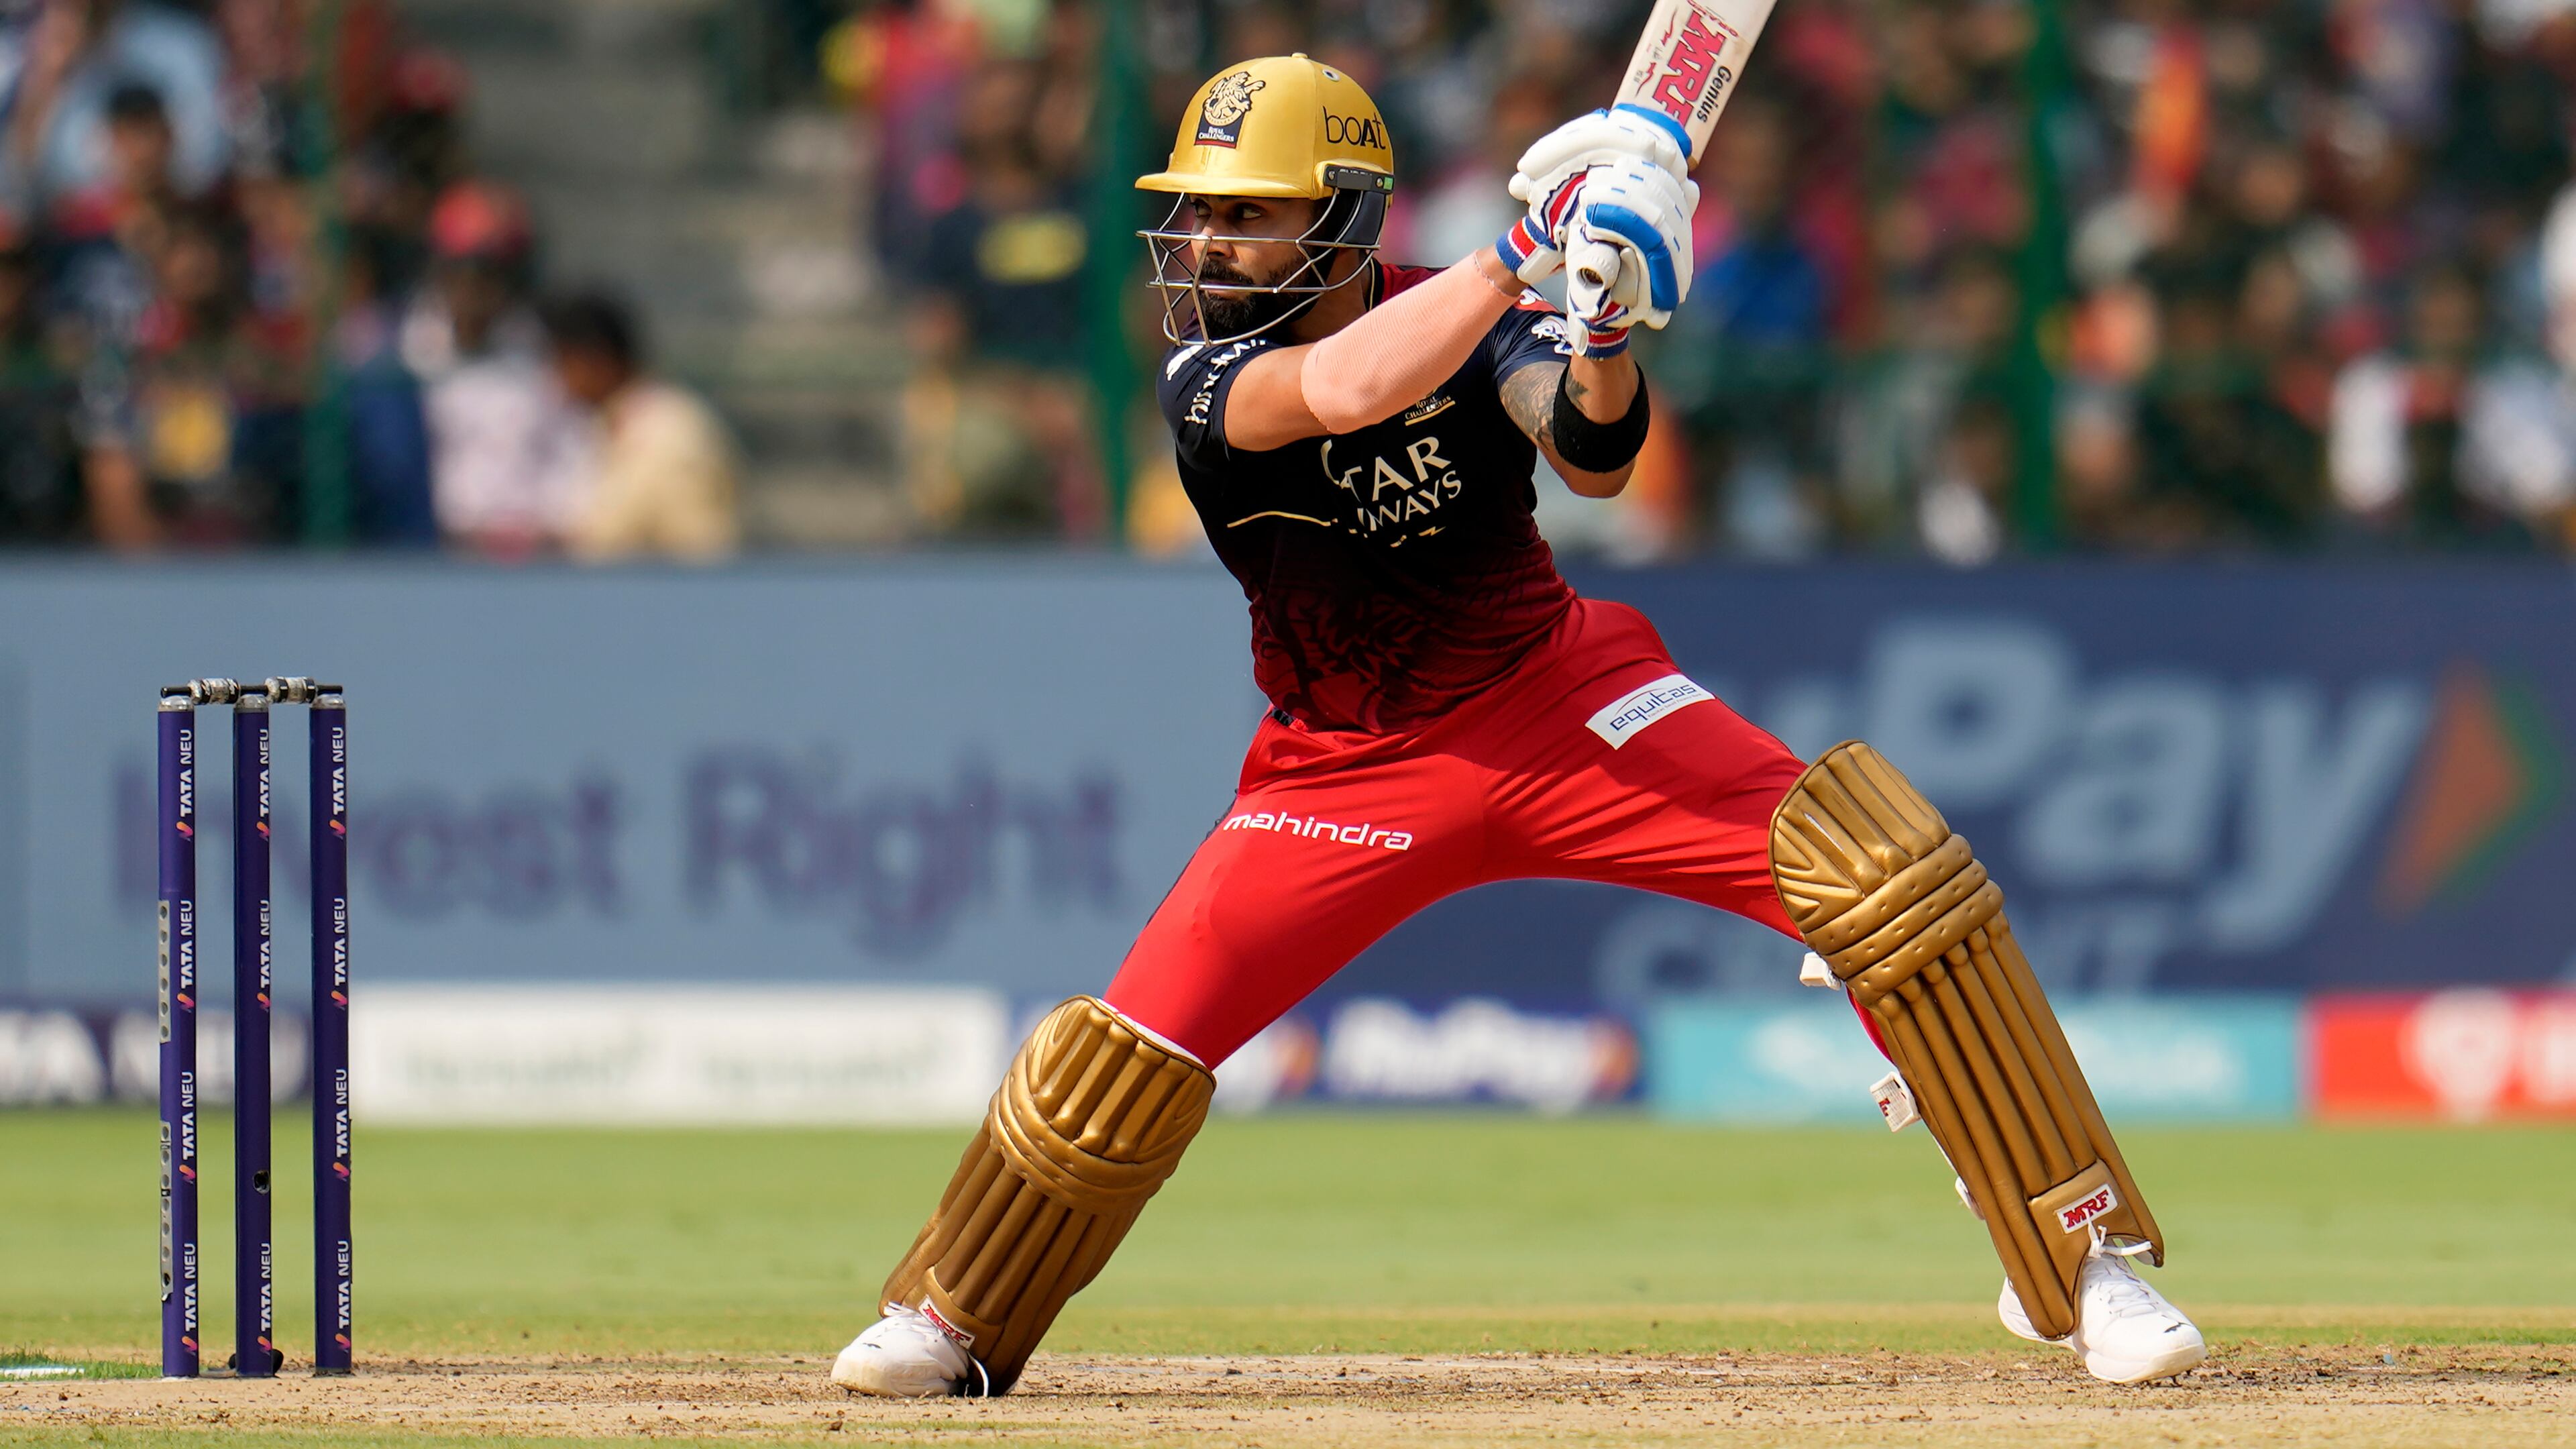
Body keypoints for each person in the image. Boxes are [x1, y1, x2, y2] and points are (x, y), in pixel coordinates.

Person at [832, 54, 2206, 1400]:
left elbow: (1592, 450)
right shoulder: (1203, 379)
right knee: (1131, 1044)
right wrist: (1526, 249)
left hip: (1562, 703)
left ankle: (2085, 1264)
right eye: (1200, 208)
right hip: (1345, 766)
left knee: (1880, 869)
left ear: (1345, 217)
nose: (1208, 238)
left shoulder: (1481, 320)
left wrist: (1599, 327)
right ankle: (956, 1312)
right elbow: (1343, 394)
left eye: (1246, 211)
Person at [539, 290, 740, 561]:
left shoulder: (670, 431)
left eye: (561, 363)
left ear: (594, 360)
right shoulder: (609, 427)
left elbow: (701, 556)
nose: (556, 380)